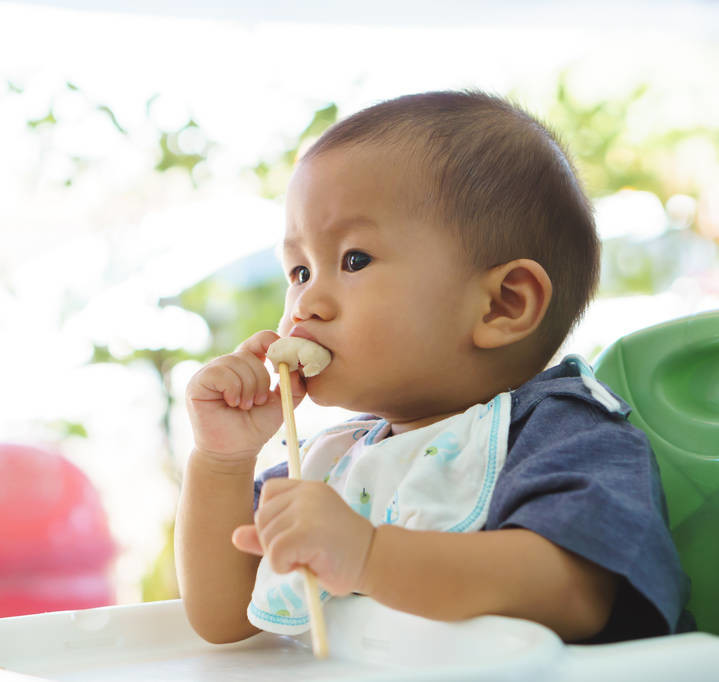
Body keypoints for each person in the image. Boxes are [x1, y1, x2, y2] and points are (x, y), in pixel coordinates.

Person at [174, 91, 691, 646]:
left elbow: (574, 594)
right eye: (299, 271)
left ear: (502, 305)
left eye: (353, 260)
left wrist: (369, 554)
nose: (303, 304)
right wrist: (221, 461)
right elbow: (224, 618)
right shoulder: (337, 464)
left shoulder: (561, 433)